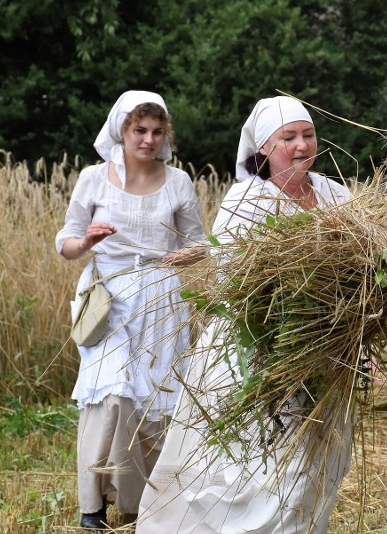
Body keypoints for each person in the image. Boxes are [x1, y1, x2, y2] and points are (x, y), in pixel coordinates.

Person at [137, 95, 354, 533]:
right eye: (287, 137)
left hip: (325, 347)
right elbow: (236, 278)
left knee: (315, 457)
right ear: (263, 149)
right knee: (260, 459)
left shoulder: (336, 194)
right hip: (257, 349)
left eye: (308, 135)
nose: (300, 146)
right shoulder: (247, 200)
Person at [55, 91, 205, 529]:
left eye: (157, 132)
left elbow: (198, 243)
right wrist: (86, 243)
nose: (149, 139)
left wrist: (184, 256)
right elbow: (66, 242)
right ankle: (92, 504)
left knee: (155, 401)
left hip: (161, 296)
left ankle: (141, 505)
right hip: (107, 297)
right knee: (110, 393)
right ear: (122, 130)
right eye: (140, 130)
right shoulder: (93, 179)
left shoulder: (178, 182)